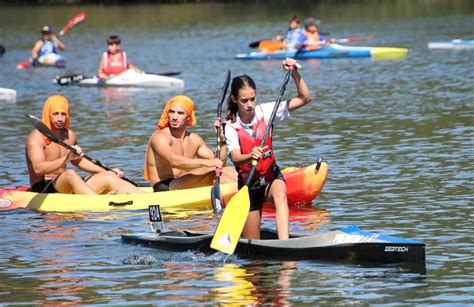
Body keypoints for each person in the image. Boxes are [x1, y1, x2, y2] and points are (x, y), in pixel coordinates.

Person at [224, 58, 311, 240]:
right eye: (244, 100)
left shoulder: (267, 111)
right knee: (253, 249)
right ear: (234, 99)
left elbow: (305, 98)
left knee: (280, 194)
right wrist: (250, 156)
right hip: (249, 186)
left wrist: (294, 72)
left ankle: (285, 243)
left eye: (253, 99)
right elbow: (236, 157)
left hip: (271, 177)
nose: (250, 105)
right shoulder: (230, 126)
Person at [26, 95, 143, 195]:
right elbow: (38, 169)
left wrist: (107, 170)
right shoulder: (36, 137)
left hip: (67, 185)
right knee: (70, 174)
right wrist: (65, 159)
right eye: (55, 114)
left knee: (108, 176)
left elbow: (79, 161)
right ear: (48, 114)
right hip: (43, 188)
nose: (60, 119)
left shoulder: (70, 135)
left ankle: (144, 198)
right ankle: (98, 202)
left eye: (63, 114)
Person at [144, 95, 237, 192]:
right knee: (211, 173)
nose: (175, 117)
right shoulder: (160, 137)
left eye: (180, 113)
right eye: (172, 112)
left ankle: (245, 190)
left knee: (229, 170)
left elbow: (219, 163)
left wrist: (222, 141)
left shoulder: (194, 139)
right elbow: (174, 161)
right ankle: (240, 192)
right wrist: (206, 162)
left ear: (188, 116)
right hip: (164, 185)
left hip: (184, 180)